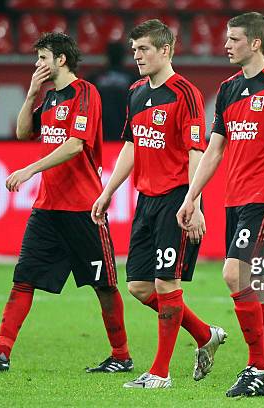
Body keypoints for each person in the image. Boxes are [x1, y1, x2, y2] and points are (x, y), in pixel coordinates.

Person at [0, 32, 132, 374]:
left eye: (42, 58)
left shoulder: (86, 93)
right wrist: (30, 93)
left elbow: (74, 145)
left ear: (61, 60)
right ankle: (2, 351)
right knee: (23, 278)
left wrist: (28, 170)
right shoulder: (51, 98)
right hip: (48, 209)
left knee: (104, 285)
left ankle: (121, 356)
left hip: (84, 209)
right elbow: (24, 132)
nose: (37, 64)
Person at [177, 12, 264, 397]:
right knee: (259, 287)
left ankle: (257, 366)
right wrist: (191, 197)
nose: (226, 45)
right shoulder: (230, 88)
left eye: (233, 39)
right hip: (235, 198)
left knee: (234, 274)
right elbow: (214, 148)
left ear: (255, 43)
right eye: (226, 39)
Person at [92, 19, 226, 389]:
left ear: (165, 50)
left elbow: (196, 151)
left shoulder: (185, 93)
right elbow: (132, 146)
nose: (136, 56)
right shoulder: (135, 92)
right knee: (139, 287)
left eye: (144, 49)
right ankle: (204, 335)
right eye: (134, 50)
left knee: (166, 285)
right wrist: (107, 192)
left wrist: (193, 202)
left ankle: (160, 373)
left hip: (175, 200)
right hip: (145, 200)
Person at [88, 42, 138, 141]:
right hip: (125, 133)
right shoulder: (135, 80)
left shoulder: (94, 78)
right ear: (123, 56)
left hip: (100, 132)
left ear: (106, 56)